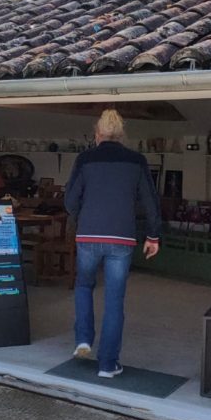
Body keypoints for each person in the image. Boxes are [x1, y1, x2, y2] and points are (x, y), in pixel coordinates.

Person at [64, 109, 160, 378]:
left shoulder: (85, 159)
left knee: (84, 285)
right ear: (121, 136)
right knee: (114, 300)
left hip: (88, 237)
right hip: (122, 238)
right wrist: (153, 236)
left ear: (98, 135)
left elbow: (70, 201)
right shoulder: (136, 160)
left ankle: (83, 339)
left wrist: (84, 215)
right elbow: (150, 203)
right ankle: (107, 365)